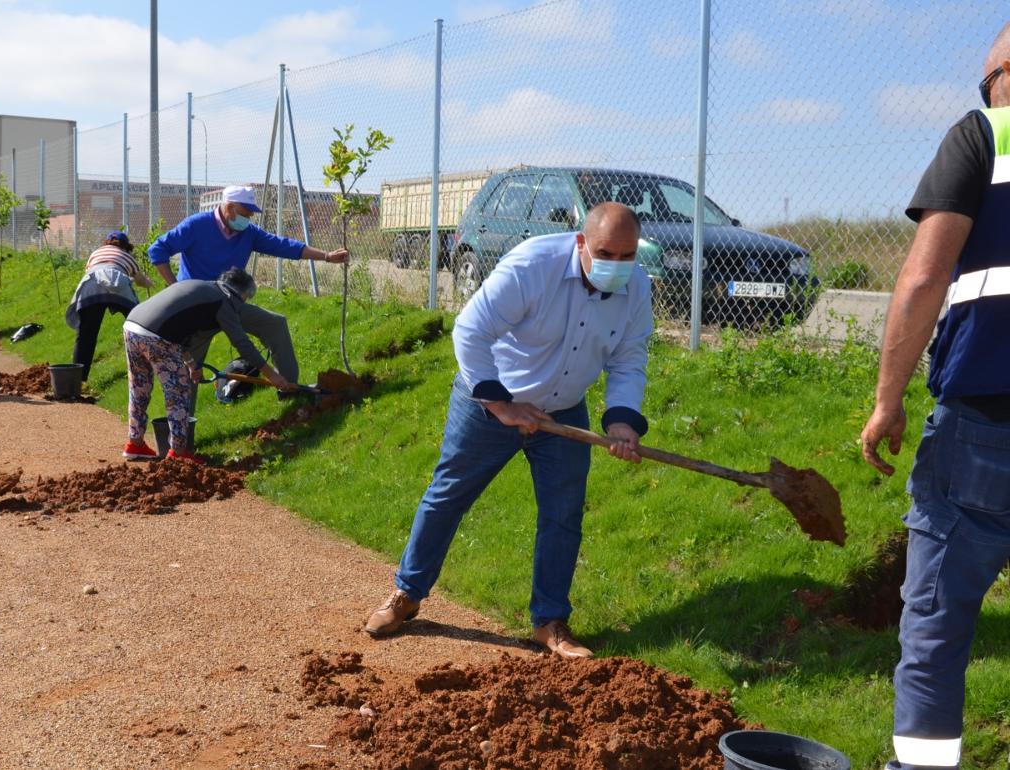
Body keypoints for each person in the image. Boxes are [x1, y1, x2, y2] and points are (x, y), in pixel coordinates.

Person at [362, 203, 652, 659]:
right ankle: (407, 595)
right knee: (447, 496)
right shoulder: (532, 266)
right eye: (605, 253)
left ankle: (550, 622)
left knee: (563, 515)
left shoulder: (635, 287)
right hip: (489, 401)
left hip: (561, 415)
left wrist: (621, 420)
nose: (617, 266)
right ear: (581, 243)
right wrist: (501, 405)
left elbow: (628, 358)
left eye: (626, 255)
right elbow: (470, 330)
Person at [860, 25, 1010, 770]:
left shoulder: (985, 135)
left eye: (987, 82)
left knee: (938, 624)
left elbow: (923, 278)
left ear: (1002, 74)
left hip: (986, 427)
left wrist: (888, 401)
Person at [146, 185, 349, 387]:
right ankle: (182, 418)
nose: (249, 218)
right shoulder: (196, 225)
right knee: (190, 371)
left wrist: (327, 256)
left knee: (275, 324)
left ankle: (289, 388)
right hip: (197, 309)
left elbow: (283, 245)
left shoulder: (248, 233)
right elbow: (158, 250)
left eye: (251, 214)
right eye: (245, 213)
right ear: (229, 207)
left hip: (230, 304)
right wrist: (175, 287)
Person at [120, 267, 292, 461]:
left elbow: (178, 327)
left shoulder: (202, 287)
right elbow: (242, 344)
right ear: (242, 293)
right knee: (178, 393)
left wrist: (192, 364)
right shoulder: (225, 301)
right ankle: (178, 452)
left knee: (139, 388)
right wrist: (272, 375)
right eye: (245, 299)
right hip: (158, 337)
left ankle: (135, 444)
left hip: (132, 326)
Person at [66, 230, 153, 382]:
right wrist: (148, 282)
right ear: (126, 246)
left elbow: (90, 272)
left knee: (87, 335)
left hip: (92, 287)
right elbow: (139, 280)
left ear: (106, 242)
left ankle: (78, 379)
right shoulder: (127, 256)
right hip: (119, 286)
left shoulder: (96, 253)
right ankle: (148, 366)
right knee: (139, 325)